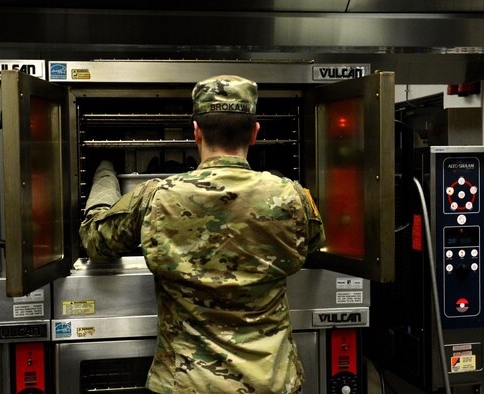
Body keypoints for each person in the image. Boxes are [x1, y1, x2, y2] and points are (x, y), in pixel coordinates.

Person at [79, 75, 325, 393]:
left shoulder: (156, 195)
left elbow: (95, 241)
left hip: (185, 383)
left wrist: (104, 174)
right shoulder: (292, 197)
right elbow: (316, 245)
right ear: (255, 132)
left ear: (195, 131)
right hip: (271, 383)